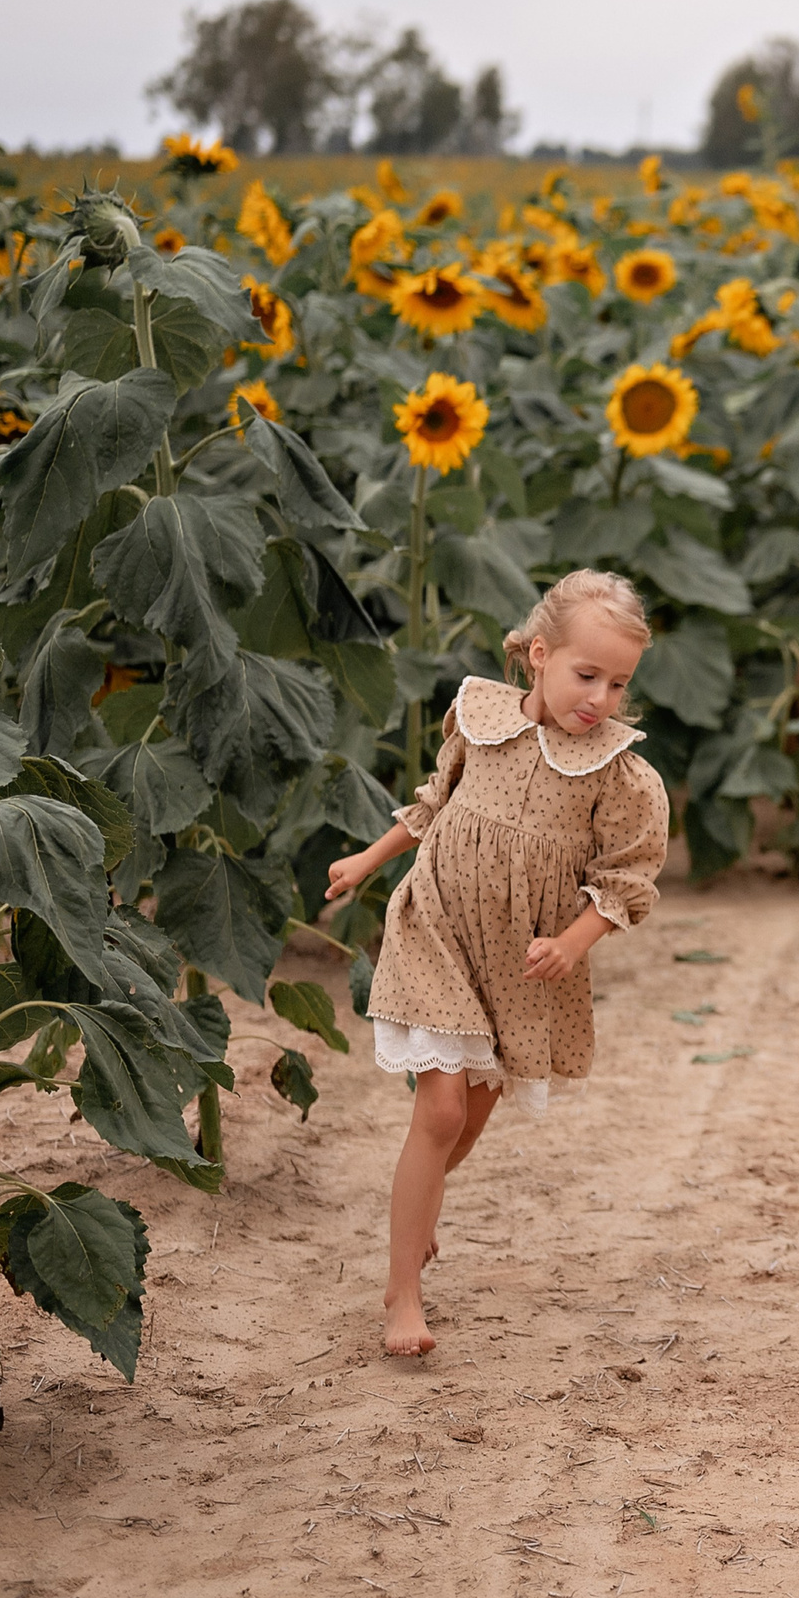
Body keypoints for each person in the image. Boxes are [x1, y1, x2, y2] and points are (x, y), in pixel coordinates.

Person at [325, 570, 670, 1358]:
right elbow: (435, 802)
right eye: (587, 675)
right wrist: (369, 858)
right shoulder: (481, 719)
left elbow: (626, 880)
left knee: (469, 1121)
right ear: (540, 655)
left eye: (619, 684)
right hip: (438, 923)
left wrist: (572, 942)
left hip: (516, 962)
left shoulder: (617, 772)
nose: (601, 698)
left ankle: (418, 1212)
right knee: (442, 1111)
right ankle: (402, 1291)